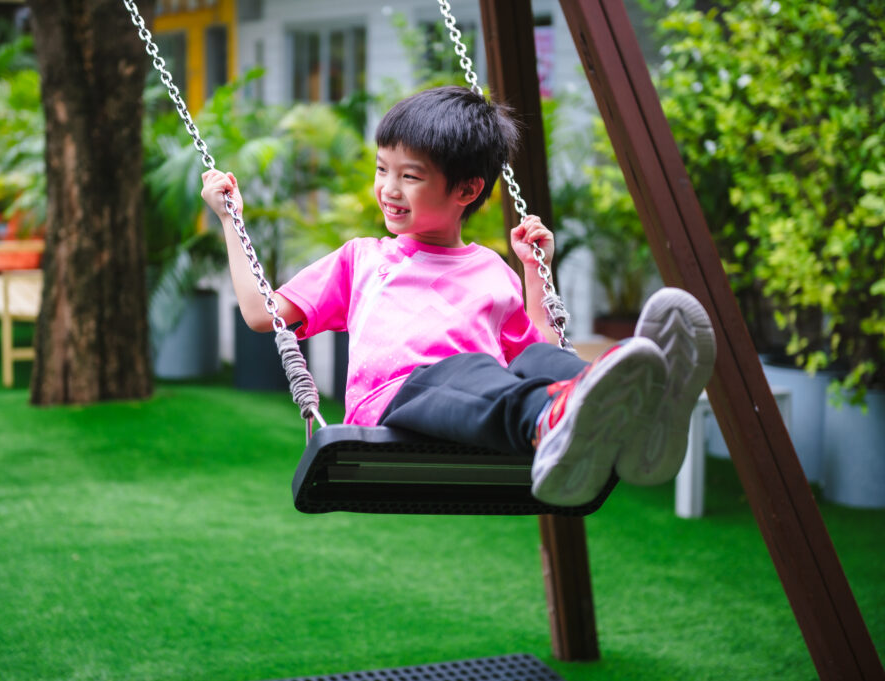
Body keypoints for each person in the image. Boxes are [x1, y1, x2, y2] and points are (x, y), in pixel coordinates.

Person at [201, 86, 716, 507]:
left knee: (537, 360)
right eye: (383, 169)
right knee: (465, 372)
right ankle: (561, 416)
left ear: (466, 191)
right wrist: (231, 220)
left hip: (482, 396)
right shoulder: (363, 259)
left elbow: (533, 350)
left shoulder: (492, 269)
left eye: (411, 176)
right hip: (397, 400)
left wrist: (536, 274)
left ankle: (640, 409)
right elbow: (259, 311)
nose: (388, 189)